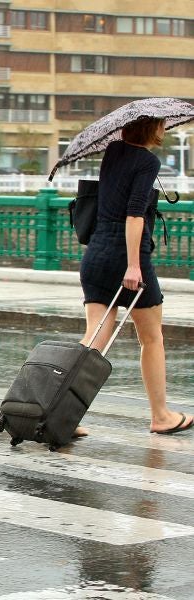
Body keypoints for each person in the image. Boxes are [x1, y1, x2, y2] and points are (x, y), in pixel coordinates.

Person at [78, 117, 192, 436]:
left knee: (93, 341)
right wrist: (133, 265)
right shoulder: (147, 161)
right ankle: (161, 415)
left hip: (96, 252)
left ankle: (60, 409)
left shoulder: (113, 151)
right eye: (162, 124)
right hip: (125, 256)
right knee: (152, 337)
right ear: (150, 128)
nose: (165, 129)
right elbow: (134, 213)